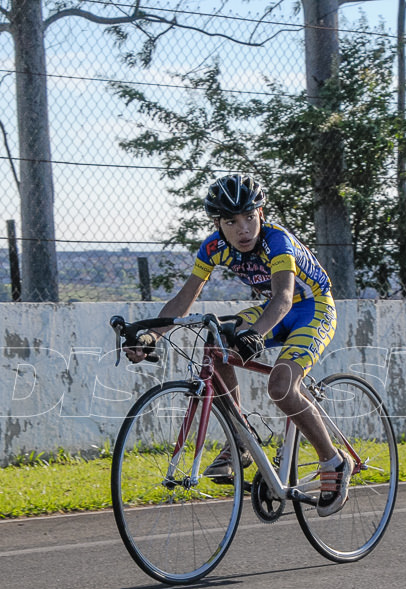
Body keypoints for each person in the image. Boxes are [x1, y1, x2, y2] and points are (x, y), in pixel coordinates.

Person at [124, 174, 349, 516]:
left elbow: (284, 298)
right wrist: (152, 334)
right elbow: (185, 298)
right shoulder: (213, 248)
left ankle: (334, 461)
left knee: (281, 385)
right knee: (216, 344)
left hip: (312, 307)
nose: (243, 229)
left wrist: (256, 334)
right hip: (274, 308)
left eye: (249, 217)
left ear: (262, 213)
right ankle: (244, 441)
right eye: (231, 221)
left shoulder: (278, 242)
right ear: (218, 223)